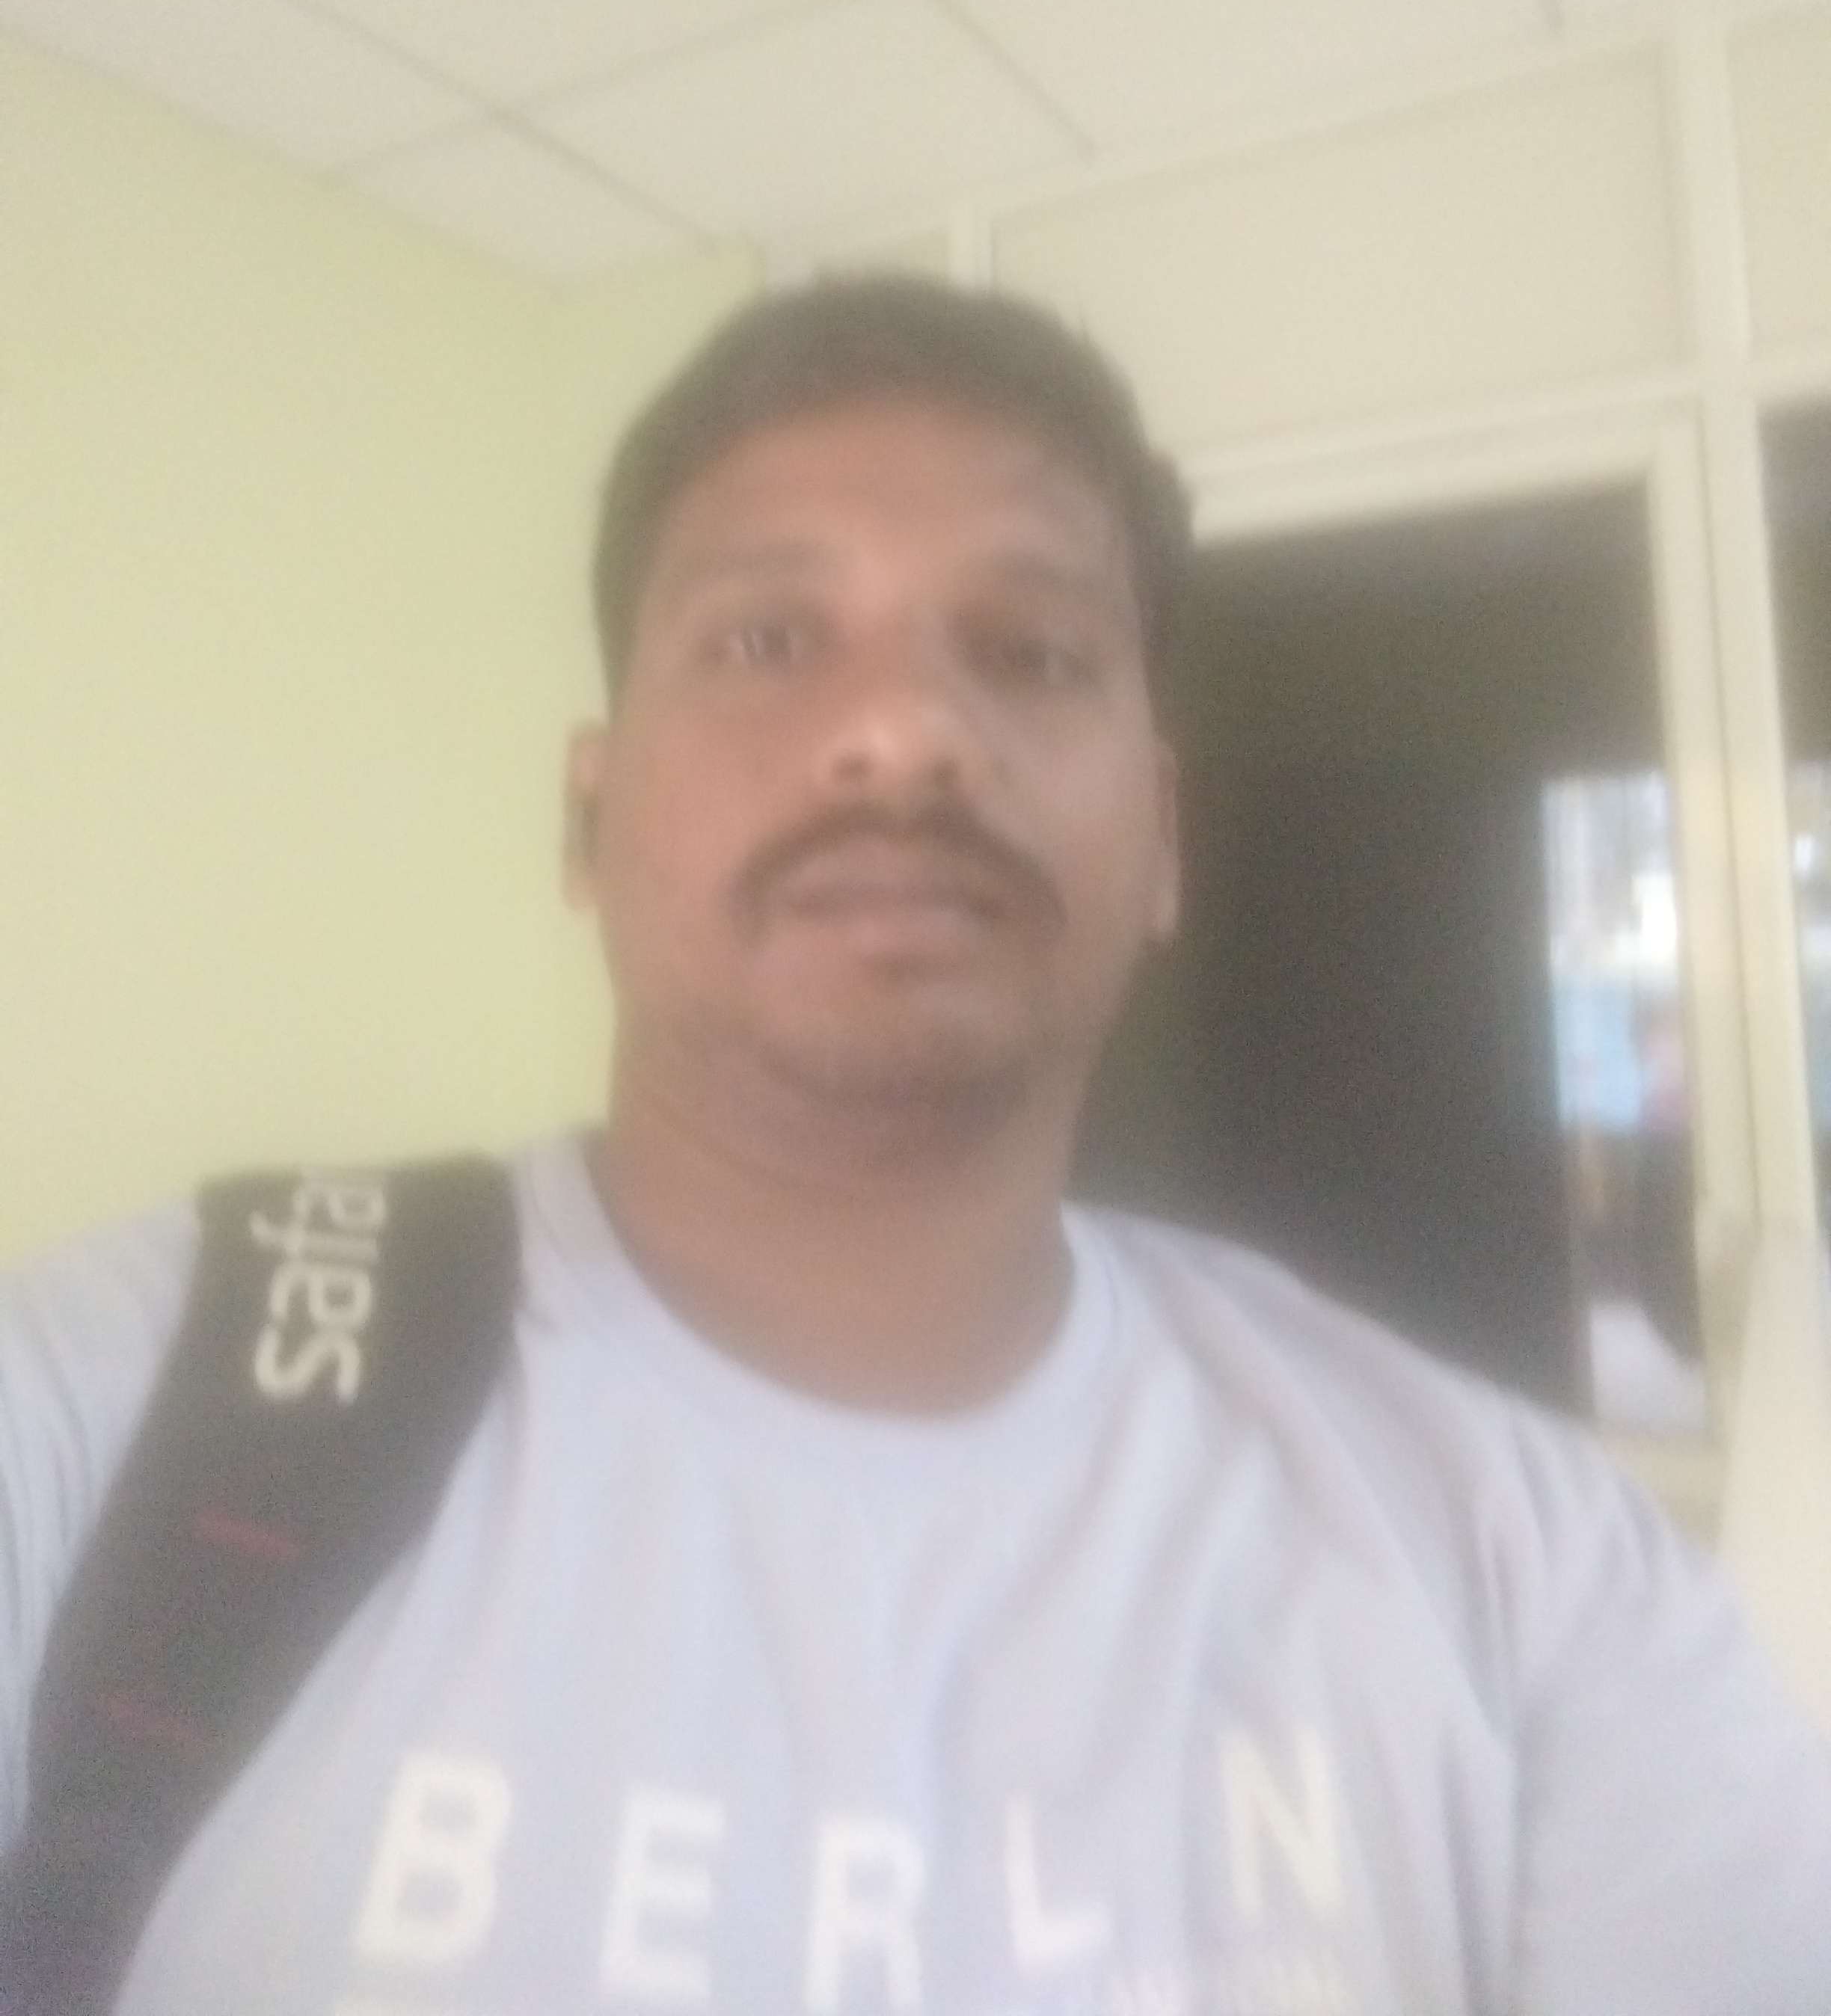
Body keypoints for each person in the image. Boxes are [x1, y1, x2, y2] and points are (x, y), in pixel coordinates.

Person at [3, 275, 1830, 2015]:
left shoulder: (1532, 1577)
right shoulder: (155, 1402)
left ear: (1164, 839)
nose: (901, 733)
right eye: (766, 641)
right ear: (586, 818)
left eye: (1031, 652)